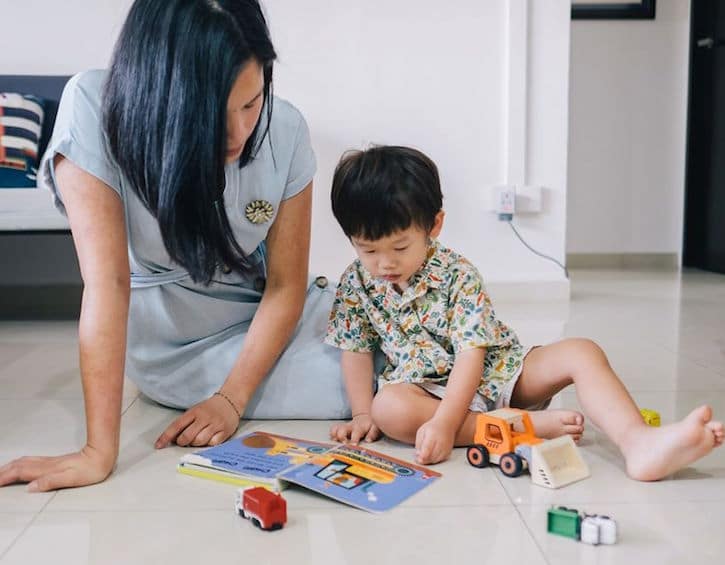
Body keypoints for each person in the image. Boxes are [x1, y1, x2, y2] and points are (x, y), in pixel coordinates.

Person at [0, 0, 347, 493]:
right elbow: (108, 285)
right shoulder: (94, 106)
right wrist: (98, 452)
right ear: (160, 95)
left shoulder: (285, 126)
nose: (238, 133)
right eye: (211, 114)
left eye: (250, 104)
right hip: (179, 348)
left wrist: (233, 398)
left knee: (383, 333)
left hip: (271, 318)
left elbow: (287, 285)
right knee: (367, 384)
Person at [325, 145, 724, 480]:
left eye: (399, 248)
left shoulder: (457, 273)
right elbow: (356, 349)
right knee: (388, 408)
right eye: (368, 249)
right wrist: (362, 412)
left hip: (499, 374)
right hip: (424, 391)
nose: (384, 264)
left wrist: (447, 425)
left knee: (581, 350)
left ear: (434, 226)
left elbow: (471, 354)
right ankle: (517, 427)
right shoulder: (356, 283)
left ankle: (637, 442)